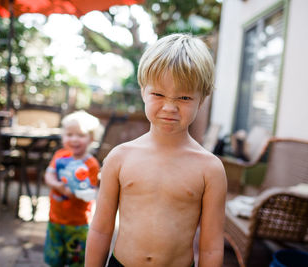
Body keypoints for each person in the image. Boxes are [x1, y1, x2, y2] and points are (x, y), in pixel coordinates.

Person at [85, 33, 227, 267]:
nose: (170, 107)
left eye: (183, 97)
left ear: (201, 100)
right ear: (143, 91)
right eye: (158, 94)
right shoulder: (120, 158)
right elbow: (100, 229)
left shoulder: (209, 169)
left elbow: (211, 247)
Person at [44, 110, 101, 267]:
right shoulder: (60, 156)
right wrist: (59, 187)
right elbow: (48, 176)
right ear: (63, 136)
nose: (74, 139)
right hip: (55, 218)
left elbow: (90, 194)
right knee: (54, 259)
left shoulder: (91, 164)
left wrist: (75, 192)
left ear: (91, 138)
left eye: (80, 135)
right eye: (69, 134)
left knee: (77, 260)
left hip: (78, 223)